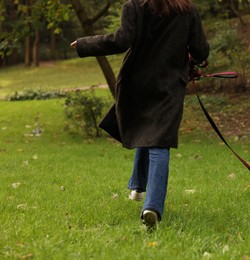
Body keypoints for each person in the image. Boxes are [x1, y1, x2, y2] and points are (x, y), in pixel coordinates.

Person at [70, 0, 209, 230]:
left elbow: (121, 40)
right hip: (169, 85)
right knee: (159, 140)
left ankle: (138, 188)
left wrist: (85, 44)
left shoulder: (134, 6)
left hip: (137, 83)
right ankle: (151, 205)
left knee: (149, 130)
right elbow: (200, 50)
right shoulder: (188, 9)